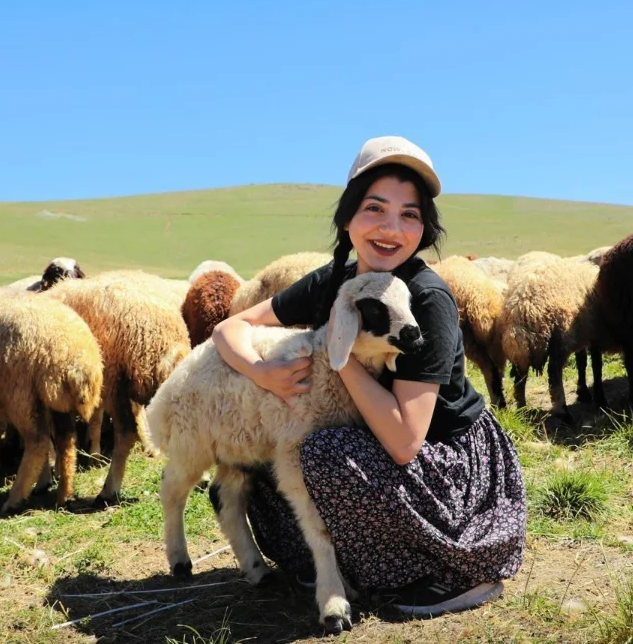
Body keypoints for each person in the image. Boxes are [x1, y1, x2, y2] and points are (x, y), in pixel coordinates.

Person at [211, 136, 527, 617]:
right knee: (269, 449)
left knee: (322, 453)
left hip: (443, 463)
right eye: (375, 208)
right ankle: (344, 566)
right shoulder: (333, 280)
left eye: (410, 215)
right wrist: (264, 372)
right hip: (364, 437)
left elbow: (404, 441)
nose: (390, 228)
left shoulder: (426, 301)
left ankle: (447, 574)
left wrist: (344, 351)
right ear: (348, 216)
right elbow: (230, 327)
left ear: (424, 229)